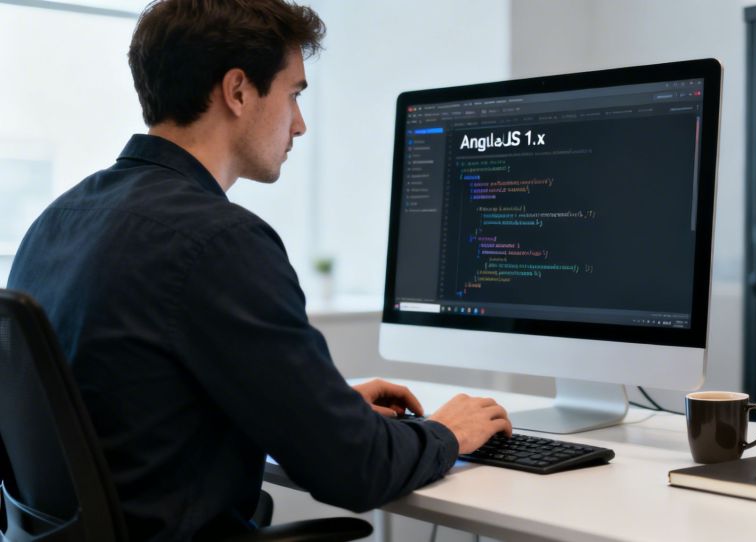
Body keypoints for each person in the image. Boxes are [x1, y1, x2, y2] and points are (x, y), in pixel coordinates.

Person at [5, 1, 512, 540]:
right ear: (239, 91)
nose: (300, 123)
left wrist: (322, 406)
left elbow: (137, 405)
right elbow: (353, 470)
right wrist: (445, 432)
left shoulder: (57, 221)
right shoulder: (220, 241)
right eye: (294, 94)